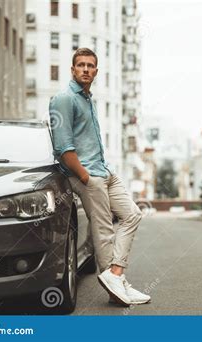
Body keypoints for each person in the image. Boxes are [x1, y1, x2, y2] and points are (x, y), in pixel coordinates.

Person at [49, 47, 150, 306]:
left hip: (104, 171)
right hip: (87, 176)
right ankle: (117, 289)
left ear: (96, 71)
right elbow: (63, 148)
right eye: (80, 65)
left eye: (90, 65)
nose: (85, 69)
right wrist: (84, 177)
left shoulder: (87, 99)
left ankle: (116, 275)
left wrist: (100, 173)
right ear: (72, 70)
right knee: (104, 231)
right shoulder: (64, 99)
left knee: (132, 214)